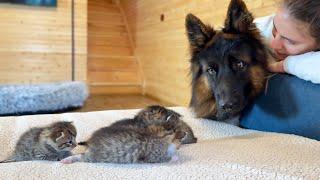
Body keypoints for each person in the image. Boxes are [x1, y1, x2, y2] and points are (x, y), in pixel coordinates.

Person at [240, 0, 320, 140]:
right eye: (275, 28)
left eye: (290, 41)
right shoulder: (272, 25)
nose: (274, 44)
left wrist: (287, 65)